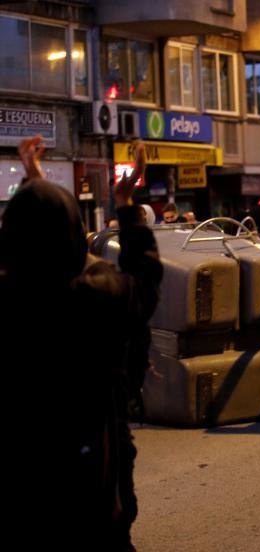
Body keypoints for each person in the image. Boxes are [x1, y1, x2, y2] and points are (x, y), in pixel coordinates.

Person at [2, 137, 162, 548]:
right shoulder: (96, 296)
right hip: (93, 482)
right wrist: (126, 204)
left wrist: (35, 191)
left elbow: (36, 243)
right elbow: (144, 279)